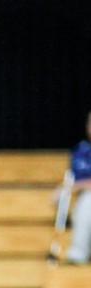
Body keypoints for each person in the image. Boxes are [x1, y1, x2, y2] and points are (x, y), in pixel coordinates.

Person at [54, 110, 91, 264]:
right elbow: (72, 181)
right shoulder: (82, 151)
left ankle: (78, 254)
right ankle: (77, 254)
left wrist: (78, 186)